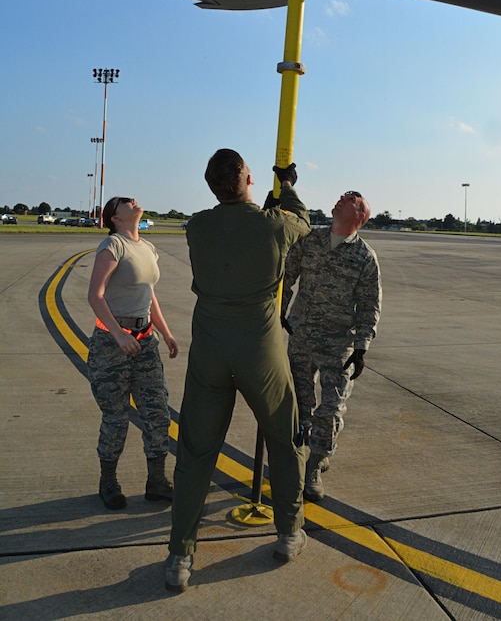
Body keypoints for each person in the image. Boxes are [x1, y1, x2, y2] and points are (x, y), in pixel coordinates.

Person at [165, 149, 311, 593]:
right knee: (284, 441)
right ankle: (288, 533)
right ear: (248, 176)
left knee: (195, 453)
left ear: (211, 185)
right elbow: (302, 222)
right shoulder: (274, 223)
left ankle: (180, 558)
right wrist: (286, 186)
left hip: (209, 347)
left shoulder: (197, 225)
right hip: (259, 349)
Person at [281, 190, 382, 501]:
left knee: (332, 405)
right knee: (299, 402)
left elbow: (369, 304)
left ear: (360, 215)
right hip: (301, 335)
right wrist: (278, 314)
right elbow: (287, 276)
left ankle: (316, 461)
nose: (341, 198)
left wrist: (362, 346)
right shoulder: (310, 241)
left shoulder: (364, 257)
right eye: (342, 196)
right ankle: (298, 456)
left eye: (351, 198)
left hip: (339, 344)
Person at [87, 196, 178, 510]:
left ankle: (157, 482)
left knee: (157, 413)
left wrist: (165, 333)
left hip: (145, 342)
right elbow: (95, 295)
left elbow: (149, 296)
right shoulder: (112, 247)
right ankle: (108, 482)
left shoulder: (148, 248)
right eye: (127, 201)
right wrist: (117, 333)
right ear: (115, 217)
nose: (135, 202)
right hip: (111, 345)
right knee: (116, 417)